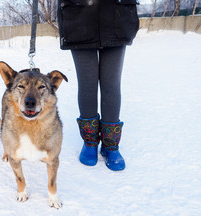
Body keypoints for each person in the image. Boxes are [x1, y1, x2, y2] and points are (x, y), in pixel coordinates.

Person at [57, 0, 140, 171]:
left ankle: (110, 145)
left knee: (112, 84)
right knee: (87, 84)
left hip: (117, 14)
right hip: (79, 15)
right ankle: (90, 141)